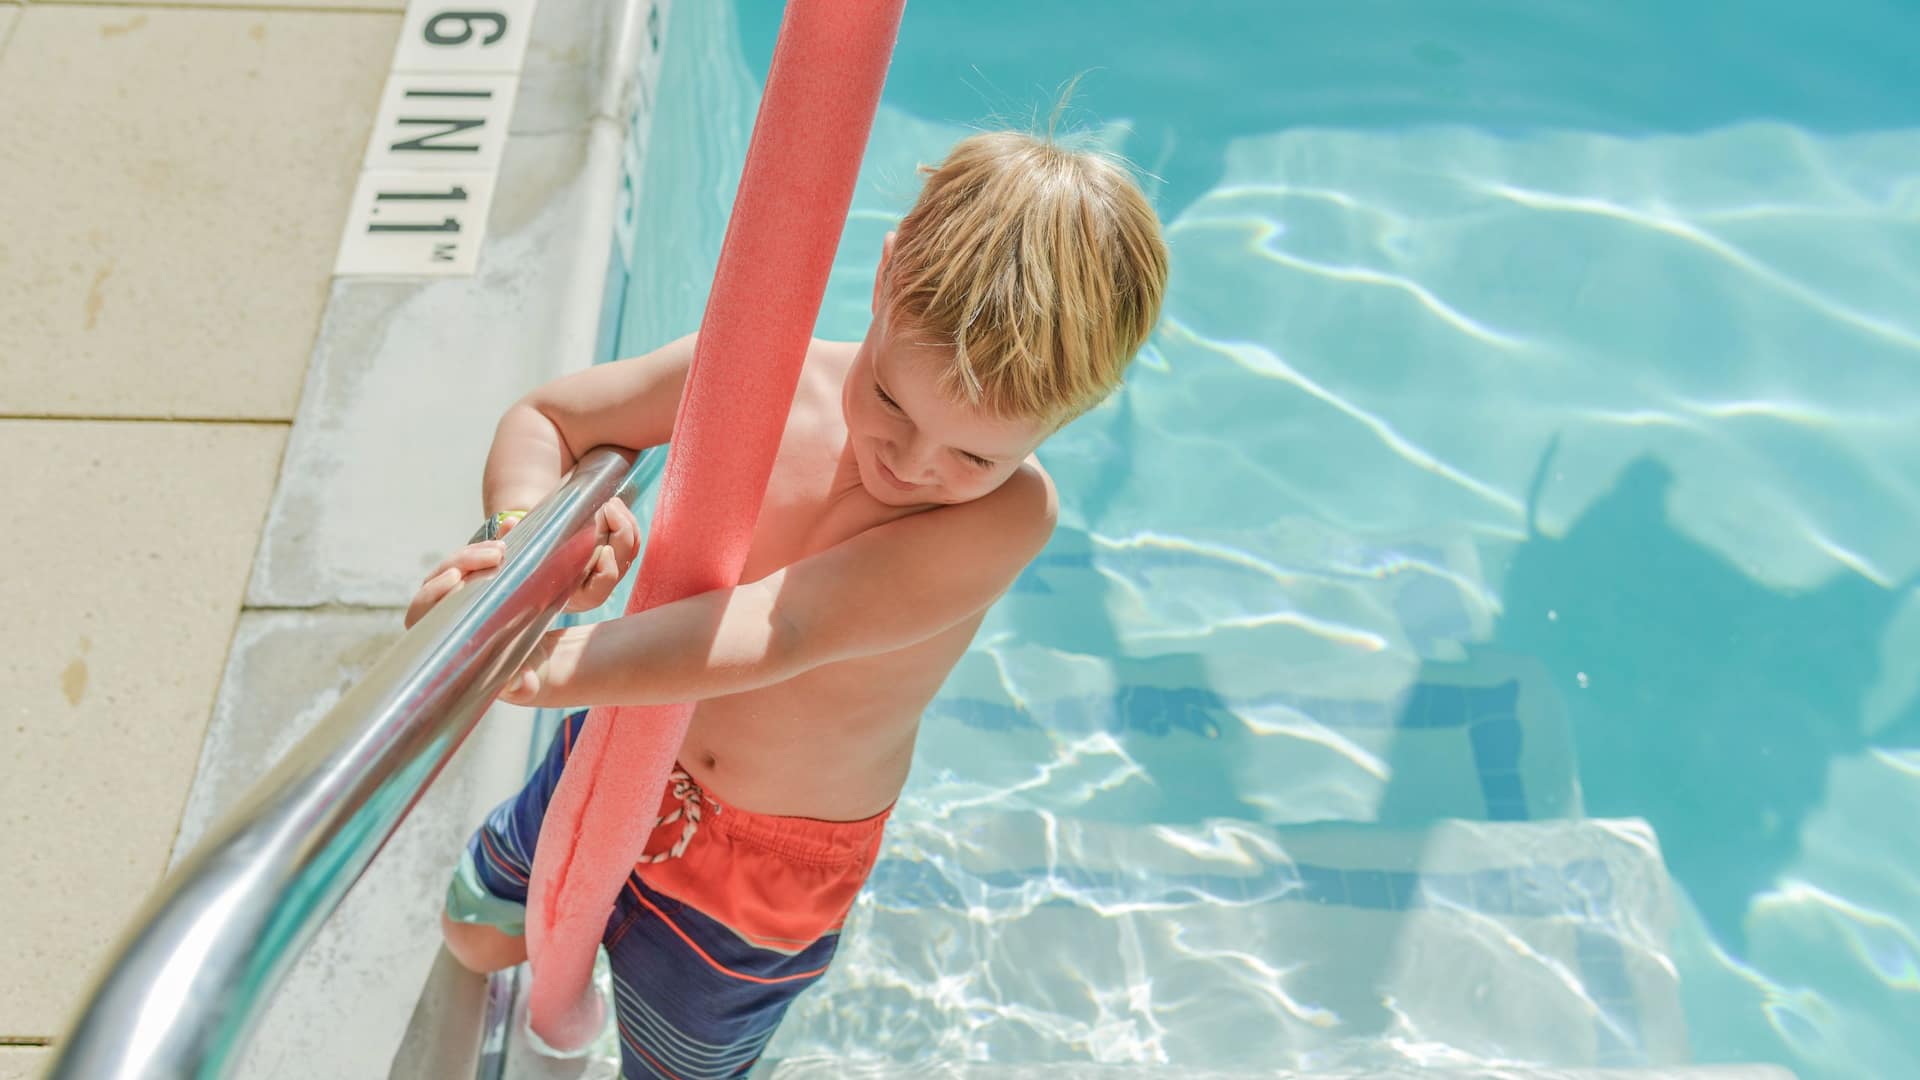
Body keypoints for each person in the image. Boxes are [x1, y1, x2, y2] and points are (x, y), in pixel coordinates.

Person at [413, 129, 1168, 1078]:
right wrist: (524, 545)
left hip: (755, 873)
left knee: (671, 1069)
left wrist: (535, 662)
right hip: (610, 748)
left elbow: (785, 627)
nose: (913, 462)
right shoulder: (758, 378)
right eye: (891, 399)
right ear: (887, 277)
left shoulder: (1006, 521)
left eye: (976, 455)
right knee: (476, 934)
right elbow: (553, 419)